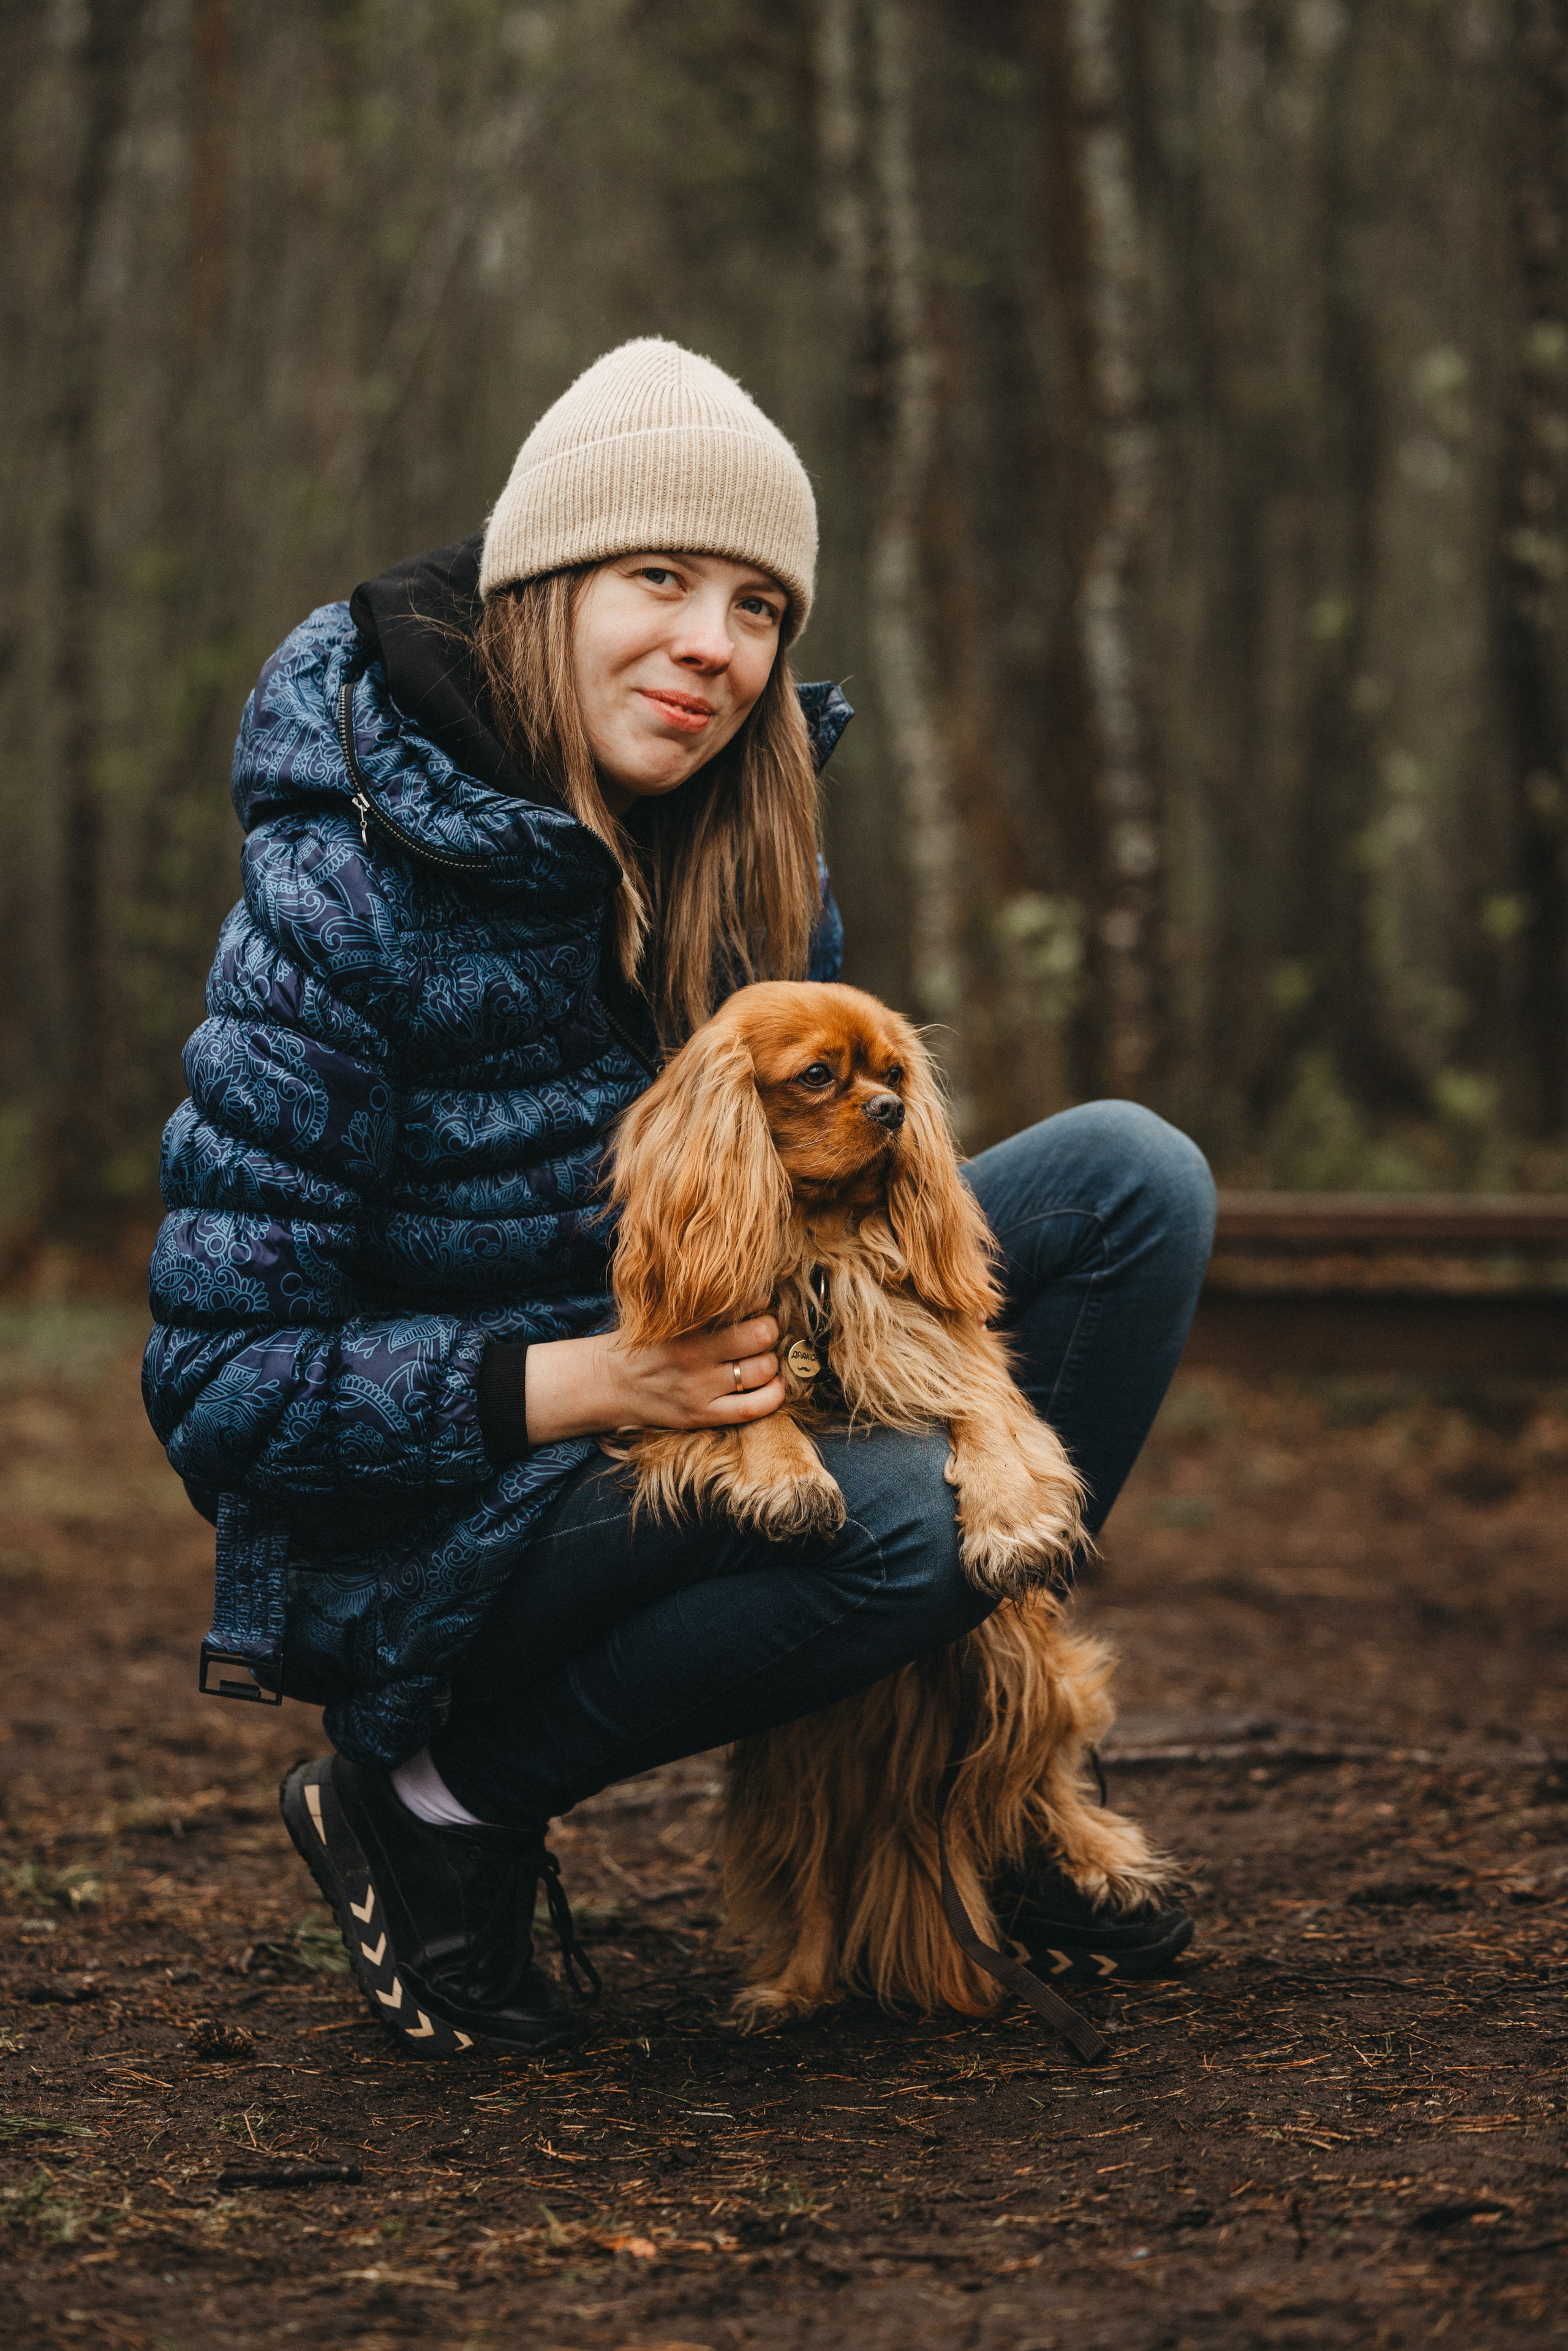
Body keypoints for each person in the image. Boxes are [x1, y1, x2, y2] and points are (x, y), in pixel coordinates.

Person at [144, 339, 1216, 2057]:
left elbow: (830, 1217)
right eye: (660, 578)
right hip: (452, 1523)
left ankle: (970, 1778)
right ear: (546, 587)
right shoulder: (338, 898)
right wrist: (593, 1381)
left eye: (759, 606)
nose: (713, 647)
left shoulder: (754, 856)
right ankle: (431, 1805)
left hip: (724, 1405)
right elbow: (220, 1391)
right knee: (901, 1520)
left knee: (1128, 1186)